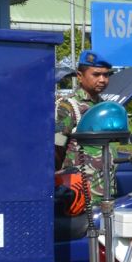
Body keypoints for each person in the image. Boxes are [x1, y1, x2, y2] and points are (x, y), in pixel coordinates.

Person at [54, 50, 115, 202]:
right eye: (96, 74)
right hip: (79, 196)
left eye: (106, 75)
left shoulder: (106, 108)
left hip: (106, 193)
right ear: (80, 76)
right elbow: (56, 149)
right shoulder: (68, 107)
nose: (102, 79)